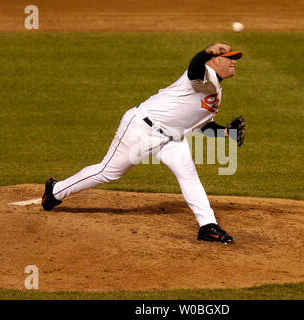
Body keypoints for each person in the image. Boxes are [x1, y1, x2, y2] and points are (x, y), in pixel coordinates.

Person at [42, 43, 244, 244]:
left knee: (188, 173)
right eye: (229, 58)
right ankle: (55, 191)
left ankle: (207, 226)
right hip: (142, 128)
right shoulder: (204, 74)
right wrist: (206, 52)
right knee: (108, 172)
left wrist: (227, 132)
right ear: (215, 60)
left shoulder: (216, 89)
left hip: (171, 138)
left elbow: (199, 125)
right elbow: (194, 68)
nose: (234, 62)